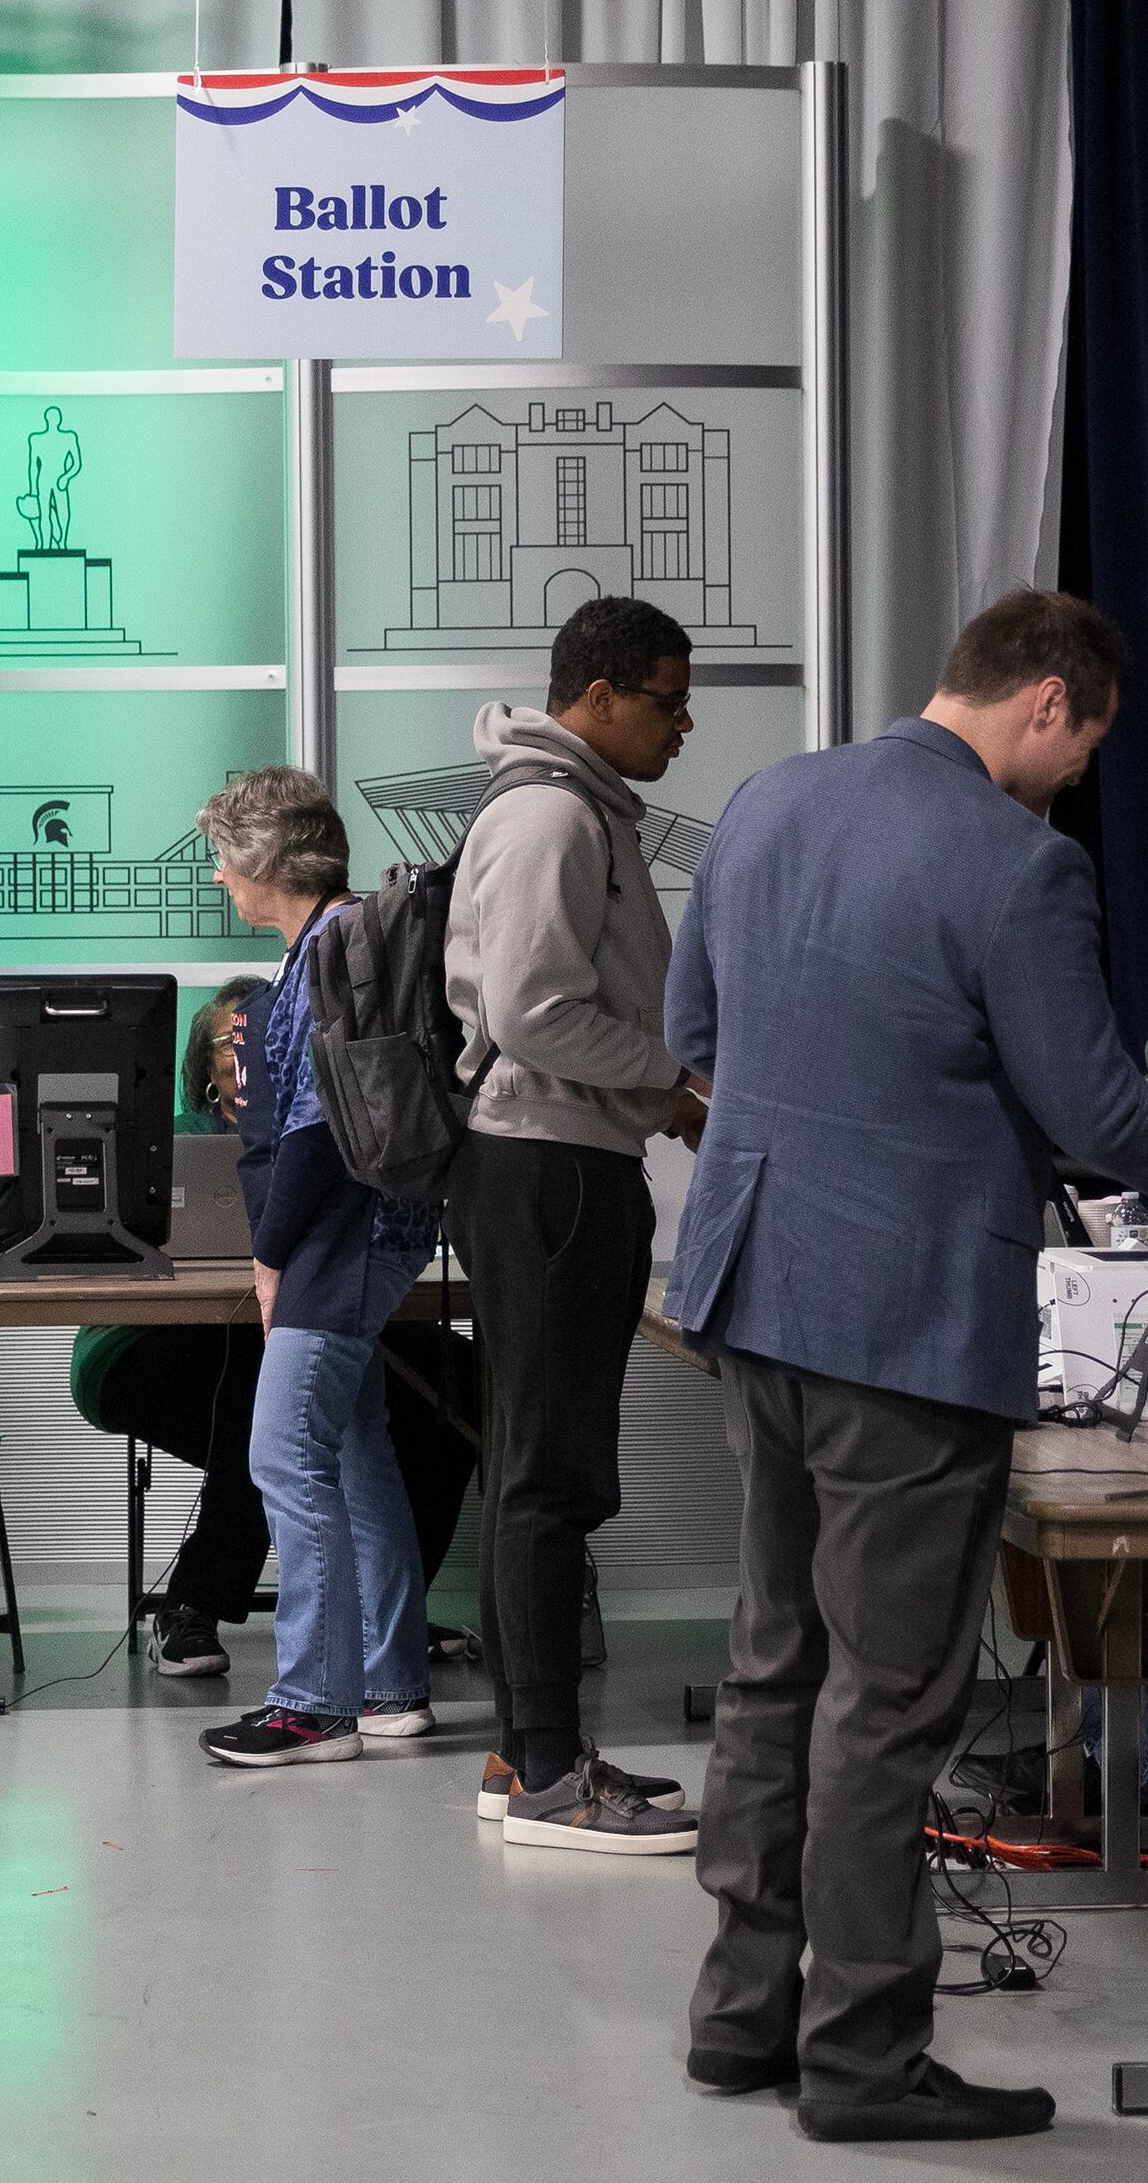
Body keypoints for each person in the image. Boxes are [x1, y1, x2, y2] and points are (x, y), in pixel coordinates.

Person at [665, 589, 1148, 2144]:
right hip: (901, 1322)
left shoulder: (766, 800)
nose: (1072, 779)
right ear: (1045, 701)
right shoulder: (1022, 862)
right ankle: (866, 2061)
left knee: (775, 1667)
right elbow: (1101, 1116)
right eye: (1079, 746)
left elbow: (690, 1031)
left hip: (753, 1288)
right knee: (890, 1697)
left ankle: (741, 2019)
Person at [446, 594, 710, 1851]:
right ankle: (549, 1771)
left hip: (554, 1159)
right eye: (666, 697)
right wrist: (668, 1086)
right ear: (597, 695)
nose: (683, 721)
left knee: (531, 1469)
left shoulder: (571, 807)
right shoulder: (552, 813)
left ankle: (525, 1749)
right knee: (546, 1477)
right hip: (545, 1164)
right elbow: (537, 1008)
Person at [66, 980, 479, 1681]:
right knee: (263, 1408)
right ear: (206, 1075)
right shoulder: (170, 1144)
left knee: (455, 1386)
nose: (254, 1079)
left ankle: (390, 1613)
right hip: (140, 1346)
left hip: (298, 1321)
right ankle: (189, 1608)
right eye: (235, 1067)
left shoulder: (324, 1138)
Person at [193, 770, 445, 1769]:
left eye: (224, 860)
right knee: (357, 1452)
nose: (219, 879)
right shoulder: (363, 939)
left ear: (262, 866)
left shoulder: (320, 962)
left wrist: (267, 1256)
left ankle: (313, 1702)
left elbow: (307, 1134)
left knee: (285, 1459)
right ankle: (388, 1685)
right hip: (383, 1226)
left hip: (337, 1239)